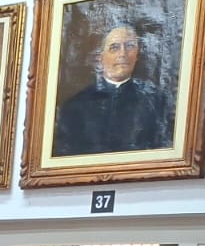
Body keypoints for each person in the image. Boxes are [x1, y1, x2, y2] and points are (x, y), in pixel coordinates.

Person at [52, 23, 173, 156]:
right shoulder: (75, 107)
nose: (123, 54)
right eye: (114, 47)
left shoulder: (156, 101)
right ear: (101, 58)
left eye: (129, 46)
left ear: (137, 55)